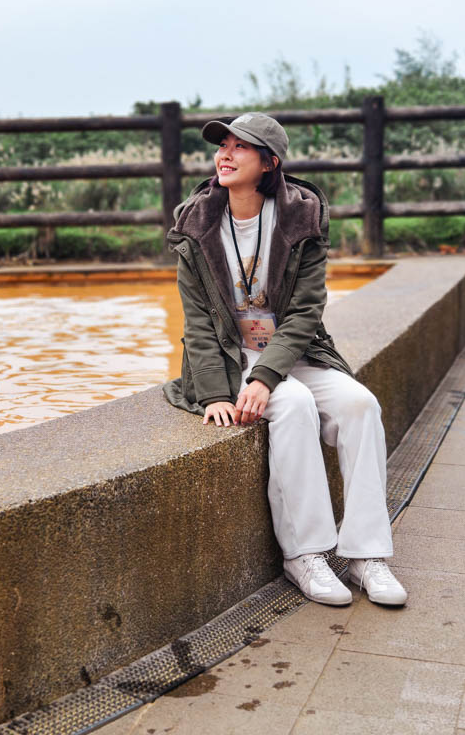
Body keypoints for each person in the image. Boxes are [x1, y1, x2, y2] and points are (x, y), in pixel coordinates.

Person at [163, 112, 407, 607]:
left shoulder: (302, 218)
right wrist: (213, 392)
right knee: (291, 405)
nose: (225, 155)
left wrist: (270, 373)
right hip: (235, 359)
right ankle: (305, 555)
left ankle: (365, 555)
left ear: (270, 162)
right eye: (222, 146)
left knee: (361, 405)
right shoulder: (197, 223)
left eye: (240, 147)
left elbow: (306, 311)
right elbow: (197, 321)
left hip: (294, 351)